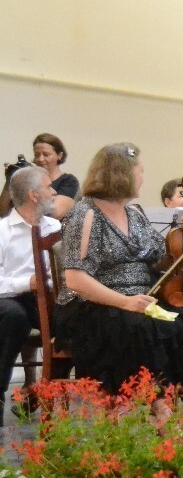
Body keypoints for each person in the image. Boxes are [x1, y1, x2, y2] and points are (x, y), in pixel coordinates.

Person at [58, 144, 183, 408]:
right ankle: (157, 406)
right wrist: (125, 302)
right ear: (122, 174)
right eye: (140, 171)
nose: (142, 177)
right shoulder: (84, 213)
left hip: (138, 301)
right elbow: (75, 279)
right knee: (139, 328)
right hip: (94, 306)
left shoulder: (134, 213)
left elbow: (160, 259)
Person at [0, 166, 60, 426]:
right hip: (11, 298)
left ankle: (46, 391)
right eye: (49, 187)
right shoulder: (3, 231)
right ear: (34, 195)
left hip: (49, 297)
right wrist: (28, 282)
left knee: (74, 319)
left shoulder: (55, 226)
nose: (54, 192)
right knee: (14, 318)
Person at [32, 133, 78, 220]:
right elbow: (5, 211)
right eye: (37, 155)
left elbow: (55, 213)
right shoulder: (30, 181)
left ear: (59, 156)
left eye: (46, 154)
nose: (40, 159)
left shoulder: (68, 181)